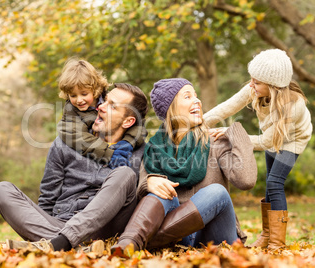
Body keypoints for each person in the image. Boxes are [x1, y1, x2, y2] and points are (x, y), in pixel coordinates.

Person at [0, 83, 149, 252]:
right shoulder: (64, 143)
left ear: (128, 121)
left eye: (112, 106)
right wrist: (40, 226)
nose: (100, 107)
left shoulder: (142, 153)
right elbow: (48, 197)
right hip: (61, 222)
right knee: (0, 190)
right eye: (105, 101)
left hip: (106, 229)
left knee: (124, 174)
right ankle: (72, 246)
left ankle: (61, 244)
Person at [110, 78, 257, 254]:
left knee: (217, 192)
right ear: (170, 109)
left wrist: (236, 133)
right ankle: (128, 243)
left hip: (217, 237)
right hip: (182, 240)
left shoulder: (215, 142)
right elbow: (141, 188)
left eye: (196, 96)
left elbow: (246, 180)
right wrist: (148, 182)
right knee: (162, 192)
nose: (197, 101)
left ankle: (146, 244)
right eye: (187, 96)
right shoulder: (154, 149)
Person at [204, 49, 313, 249]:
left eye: (257, 82)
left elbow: (267, 142)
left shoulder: (293, 105)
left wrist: (232, 133)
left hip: (292, 140)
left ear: (273, 86)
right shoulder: (254, 89)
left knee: (275, 182)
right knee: (269, 183)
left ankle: (277, 243)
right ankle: (267, 235)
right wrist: (200, 122)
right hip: (272, 135)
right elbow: (227, 107)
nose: (251, 85)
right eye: (251, 79)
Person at [57, 58, 146, 168]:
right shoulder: (72, 110)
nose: (79, 100)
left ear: (95, 89)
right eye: (73, 96)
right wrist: (108, 154)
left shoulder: (107, 97)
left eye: (84, 94)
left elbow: (138, 126)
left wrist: (127, 143)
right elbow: (76, 136)